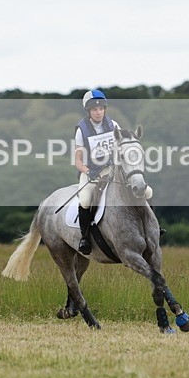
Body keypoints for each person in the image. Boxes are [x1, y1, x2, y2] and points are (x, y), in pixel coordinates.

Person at [74, 89, 120, 255]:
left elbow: (121, 148)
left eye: (101, 109)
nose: (99, 112)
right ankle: (85, 238)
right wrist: (88, 171)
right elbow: (78, 160)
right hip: (91, 172)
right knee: (86, 200)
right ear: (89, 111)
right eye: (95, 109)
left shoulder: (113, 125)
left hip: (112, 169)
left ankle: (152, 227)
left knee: (145, 190)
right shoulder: (82, 130)